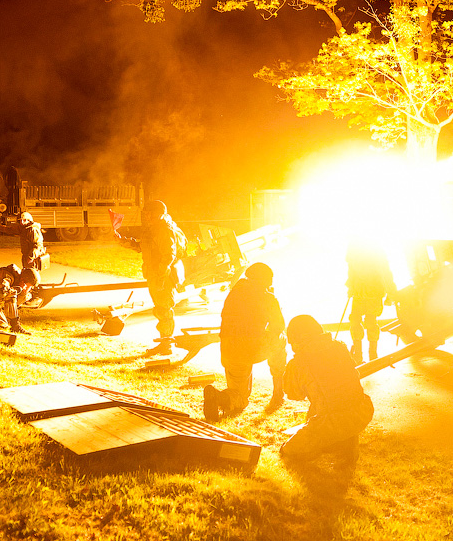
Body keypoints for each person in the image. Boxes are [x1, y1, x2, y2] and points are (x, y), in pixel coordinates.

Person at [280, 315, 374, 468]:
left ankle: (333, 444)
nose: (292, 347)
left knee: (288, 450)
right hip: (362, 410)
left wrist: (294, 371)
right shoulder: (339, 347)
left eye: (292, 342)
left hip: (333, 421)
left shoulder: (299, 362)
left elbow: (293, 394)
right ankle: (346, 440)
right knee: (323, 406)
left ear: (299, 339)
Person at [203, 262, 287, 422]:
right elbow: (279, 326)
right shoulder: (267, 298)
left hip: (229, 349)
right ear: (265, 280)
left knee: (240, 396)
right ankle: (278, 391)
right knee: (281, 339)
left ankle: (218, 397)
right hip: (250, 348)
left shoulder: (234, 293)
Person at [116, 199, 187, 355]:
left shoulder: (163, 229)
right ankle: (164, 342)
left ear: (160, 214)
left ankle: (167, 344)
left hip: (163, 277)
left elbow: (169, 255)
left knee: (164, 309)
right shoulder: (154, 228)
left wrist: (161, 277)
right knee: (161, 309)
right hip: (156, 275)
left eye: (150, 213)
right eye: (146, 213)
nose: (147, 216)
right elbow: (144, 247)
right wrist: (123, 241)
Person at [345, 239, 396, 363]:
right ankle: (359, 355)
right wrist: (351, 287)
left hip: (373, 292)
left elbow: (385, 272)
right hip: (360, 292)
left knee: (370, 321)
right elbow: (351, 272)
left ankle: (372, 354)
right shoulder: (354, 249)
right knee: (355, 320)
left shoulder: (374, 249)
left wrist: (391, 293)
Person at [0, 264, 40, 334]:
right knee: (11, 293)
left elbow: (16, 302)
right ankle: (15, 325)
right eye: (28, 286)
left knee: (2, 326)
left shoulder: (18, 278)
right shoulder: (6, 275)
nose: (28, 288)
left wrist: (23, 293)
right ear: (22, 280)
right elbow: (2, 292)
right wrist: (18, 288)